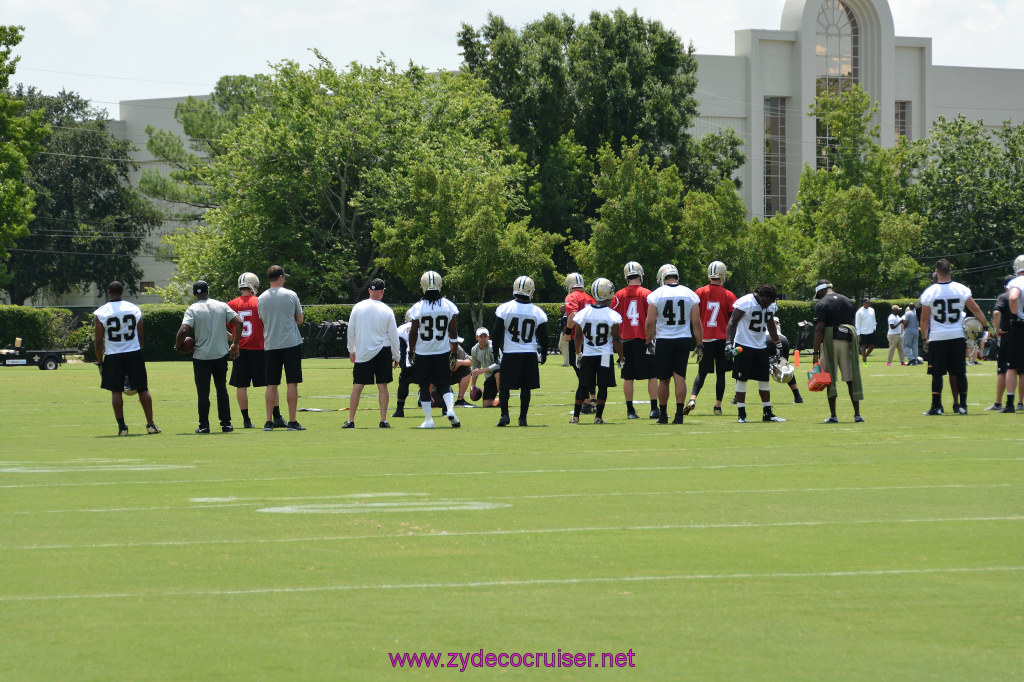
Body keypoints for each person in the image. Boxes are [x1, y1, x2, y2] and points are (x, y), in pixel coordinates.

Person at [920, 258, 988, 415]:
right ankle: (962, 406)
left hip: (937, 337)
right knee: (959, 373)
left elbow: (924, 319)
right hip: (957, 336)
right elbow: (976, 309)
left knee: (937, 374)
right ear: (950, 271)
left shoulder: (929, 292)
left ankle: (936, 407)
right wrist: (985, 326)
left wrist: (925, 338)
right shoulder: (961, 289)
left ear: (937, 272)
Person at [92, 281, 160, 436]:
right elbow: (141, 334)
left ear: (108, 292)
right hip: (133, 352)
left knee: (116, 391)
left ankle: (122, 427)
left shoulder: (101, 311)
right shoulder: (134, 308)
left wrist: (100, 361)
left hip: (113, 355)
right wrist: (138, 350)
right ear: (122, 292)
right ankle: (151, 425)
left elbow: (98, 340)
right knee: (143, 388)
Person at [176, 280, 242, 433]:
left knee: (203, 392)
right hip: (220, 354)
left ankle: (204, 425)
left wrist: (178, 346)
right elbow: (238, 322)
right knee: (221, 389)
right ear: (208, 291)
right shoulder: (221, 305)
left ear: (194, 294)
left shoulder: (192, 309)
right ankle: (226, 424)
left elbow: (183, 331)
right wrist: (236, 343)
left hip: (201, 356)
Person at [645, 264, 702, 424]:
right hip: (683, 339)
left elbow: (649, 322)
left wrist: (648, 341)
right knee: (680, 377)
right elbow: (696, 322)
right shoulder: (689, 294)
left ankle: (663, 415)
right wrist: (700, 344)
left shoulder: (657, 294)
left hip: (663, 340)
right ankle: (678, 415)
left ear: (662, 277)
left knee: (663, 379)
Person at [227, 272, 284, 429]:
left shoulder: (231, 304)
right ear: (254, 285)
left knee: (241, 386)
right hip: (260, 348)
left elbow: (220, 326)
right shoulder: (260, 302)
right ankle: (277, 416)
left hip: (240, 348)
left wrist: (233, 339)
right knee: (271, 384)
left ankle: (246, 420)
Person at [343, 278, 400, 429]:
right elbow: (394, 335)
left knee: (357, 385)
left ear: (369, 291)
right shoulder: (387, 309)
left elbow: (351, 331)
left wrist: (351, 350)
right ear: (382, 292)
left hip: (363, 351)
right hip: (383, 349)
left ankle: (351, 420)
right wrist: (397, 355)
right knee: (383, 386)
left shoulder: (358, 307)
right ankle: (383, 420)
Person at [407, 270, 461, 429]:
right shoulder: (448, 305)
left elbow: (413, 332)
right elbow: (453, 332)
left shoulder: (418, 307)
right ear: (440, 285)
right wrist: (454, 352)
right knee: (445, 384)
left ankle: (429, 420)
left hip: (424, 352)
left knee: (424, 386)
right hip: (442, 351)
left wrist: (411, 351)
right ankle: (450, 409)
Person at [725, 283, 785, 423]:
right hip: (743, 345)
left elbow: (770, 325)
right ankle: (741, 414)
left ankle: (767, 413)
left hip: (760, 346)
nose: (768, 304)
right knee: (741, 380)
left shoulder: (769, 305)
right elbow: (732, 322)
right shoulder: (746, 302)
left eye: (771, 302)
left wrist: (778, 345)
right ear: (761, 295)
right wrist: (728, 343)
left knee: (764, 380)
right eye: (767, 301)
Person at [493, 276, 548, 426]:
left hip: (511, 352)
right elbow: (543, 336)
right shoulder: (538, 311)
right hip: (529, 353)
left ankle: (504, 415)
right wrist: (544, 352)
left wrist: (495, 352)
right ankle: (522, 418)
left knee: (504, 386)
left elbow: (497, 332)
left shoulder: (504, 308)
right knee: (526, 387)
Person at [257, 265, 306, 431]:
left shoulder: (261, 298)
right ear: (280, 277)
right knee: (292, 382)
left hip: (271, 344)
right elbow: (299, 319)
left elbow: (263, 319)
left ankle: (269, 421)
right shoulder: (291, 295)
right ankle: (292, 421)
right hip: (291, 343)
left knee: (271, 384)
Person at [687, 260, 738, 416]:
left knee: (702, 372)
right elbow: (733, 320)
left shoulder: (699, 292)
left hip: (705, 339)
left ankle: (693, 398)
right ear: (723, 275)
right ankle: (717, 407)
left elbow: (693, 316)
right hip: (722, 340)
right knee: (721, 374)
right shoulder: (729, 295)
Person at [569, 277, 622, 424]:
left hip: (589, 354)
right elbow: (617, 339)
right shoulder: (613, 315)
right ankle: (598, 417)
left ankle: (576, 417)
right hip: (605, 354)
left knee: (583, 384)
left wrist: (578, 353)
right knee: (603, 385)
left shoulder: (583, 313)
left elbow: (578, 335)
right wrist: (622, 357)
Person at [811, 279, 864, 423]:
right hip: (847, 341)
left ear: (821, 290)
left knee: (829, 379)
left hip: (830, 342)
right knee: (851, 379)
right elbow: (852, 324)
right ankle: (857, 414)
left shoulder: (822, 303)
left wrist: (815, 353)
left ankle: (833, 415)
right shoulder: (847, 301)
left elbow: (820, 328)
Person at [611, 261, 658, 419]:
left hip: (625, 340)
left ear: (627, 276)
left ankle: (630, 411)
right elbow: (653, 319)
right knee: (652, 375)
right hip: (644, 339)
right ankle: (654, 409)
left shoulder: (618, 295)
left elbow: (613, 319)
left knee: (628, 376)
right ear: (640, 274)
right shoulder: (647, 293)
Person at [988, 275, 1024, 411]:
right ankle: (1020, 403)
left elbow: (996, 313)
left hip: (1009, 335)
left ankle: (999, 402)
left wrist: (997, 330)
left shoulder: (1004, 296)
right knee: (1022, 372)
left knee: (1006, 369)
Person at [563, 273, 596, 413]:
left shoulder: (571, 297)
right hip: (592, 339)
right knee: (590, 370)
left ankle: (587, 403)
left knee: (581, 370)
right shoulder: (591, 298)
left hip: (578, 338)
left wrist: (567, 331)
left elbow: (573, 316)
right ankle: (593, 400)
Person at [1001, 255, 1024, 413]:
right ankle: (1021, 403)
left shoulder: (1016, 282)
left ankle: (1009, 403)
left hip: (1020, 327)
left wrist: (1015, 316)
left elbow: (1014, 297)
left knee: (1012, 367)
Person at [768, 316, 803, 403]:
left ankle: (737, 398)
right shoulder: (772, 320)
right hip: (783, 340)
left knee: (758, 367)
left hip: (767, 339)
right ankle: (798, 397)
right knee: (784, 366)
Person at [391, 311, 415, 418]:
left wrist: (398, 360)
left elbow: (399, 347)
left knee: (404, 382)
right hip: (426, 357)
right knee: (432, 381)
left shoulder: (401, 328)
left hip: (409, 358)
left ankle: (399, 410)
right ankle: (445, 409)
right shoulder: (426, 324)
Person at [470, 328, 500, 407]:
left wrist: (483, 370)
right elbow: (475, 367)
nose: (483, 339)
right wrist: (473, 385)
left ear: (488, 337)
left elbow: (500, 364)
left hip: (503, 376)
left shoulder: (493, 347)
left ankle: (503, 397)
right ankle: (500, 401)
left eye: (485, 336)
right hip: (489, 377)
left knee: (497, 373)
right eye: (481, 336)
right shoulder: (474, 350)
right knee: (486, 405)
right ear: (477, 337)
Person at [855, 299, 877, 365]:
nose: (868, 304)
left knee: (872, 346)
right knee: (863, 346)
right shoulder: (859, 312)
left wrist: (874, 328)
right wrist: (858, 334)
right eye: (866, 303)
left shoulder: (872, 310)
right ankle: (865, 362)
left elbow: (874, 320)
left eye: (869, 303)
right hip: (862, 332)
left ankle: (865, 356)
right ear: (863, 303)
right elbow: (857, 324)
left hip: (871, 331)